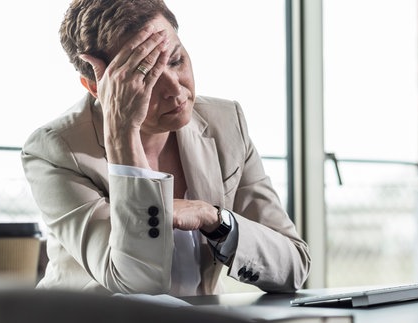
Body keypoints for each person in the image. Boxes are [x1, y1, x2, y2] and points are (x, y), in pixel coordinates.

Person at [21, 0, 311, 296]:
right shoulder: (56, 150)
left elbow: (294, 266)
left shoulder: (226, 124)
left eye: (175, 61)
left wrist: (214, 219)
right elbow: (136, 283)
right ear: (98, 88)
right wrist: (123, 133)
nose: (175, 90)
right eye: (146, 77)